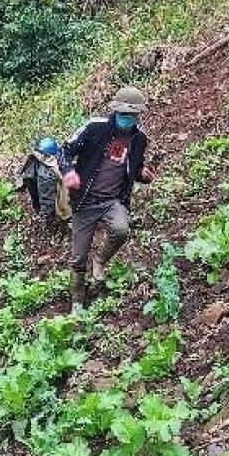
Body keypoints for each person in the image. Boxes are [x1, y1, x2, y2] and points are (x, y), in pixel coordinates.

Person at [62, 85, 153, 314]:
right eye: (123, 115)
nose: (127, 119)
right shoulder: (95, 128)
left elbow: (134, 166)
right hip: (85, 201)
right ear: (115, 112)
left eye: (131, 116)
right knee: (78, 256)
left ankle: (100, 261)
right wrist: (68, 172)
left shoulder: (139, 139)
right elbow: (64, 151)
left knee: (121, 230)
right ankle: (77, 302)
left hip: (113, 200)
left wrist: (142, 174)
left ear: (138, 116)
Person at [18, 137, 70, 233]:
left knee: (51, 216)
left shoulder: (45, 173)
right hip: (45, 195)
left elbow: (47, 197)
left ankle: (54, 229)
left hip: (51, 206)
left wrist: (46, 215)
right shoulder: (57, 163)